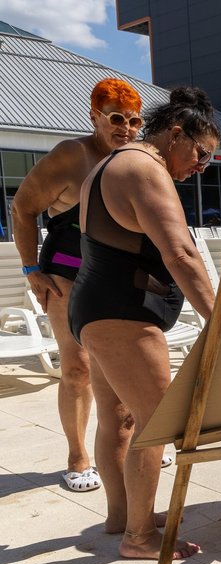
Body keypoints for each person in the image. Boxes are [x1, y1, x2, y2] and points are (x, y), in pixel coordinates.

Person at [70, 87, 219, 559]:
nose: (202, 167)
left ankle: (122, 516)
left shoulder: (114, 163)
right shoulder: (144, 168)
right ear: (175, 135)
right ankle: (138, 537)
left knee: (119, 417)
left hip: (96, 307)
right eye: (201, 154)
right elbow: (181, 253)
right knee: (157, 422)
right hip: (123, 313)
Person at [11, 78, 144, 493]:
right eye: (116, 119)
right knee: (77, 368)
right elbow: (22, 208)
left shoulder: (136, 159)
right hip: (66, 275)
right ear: (95, 117)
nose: (125, 128)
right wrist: (31, 269)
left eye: (134, 121)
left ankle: (131, 438)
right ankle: (77, 456)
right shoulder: (72, 155)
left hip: (118, 277)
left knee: (125, 365)